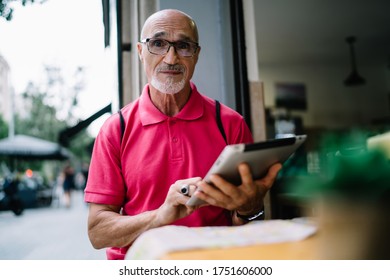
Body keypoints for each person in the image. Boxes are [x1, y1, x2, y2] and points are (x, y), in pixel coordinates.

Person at [84, 9, 282, 260]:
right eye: (158, 43)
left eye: (183, 45)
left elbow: (248, 226)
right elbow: (98, 233)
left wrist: (250, 209)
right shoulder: (116, 129)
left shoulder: (230, 124)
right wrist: (160, 216)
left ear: (196, 55)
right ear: (140, 52)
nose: (171, 58)